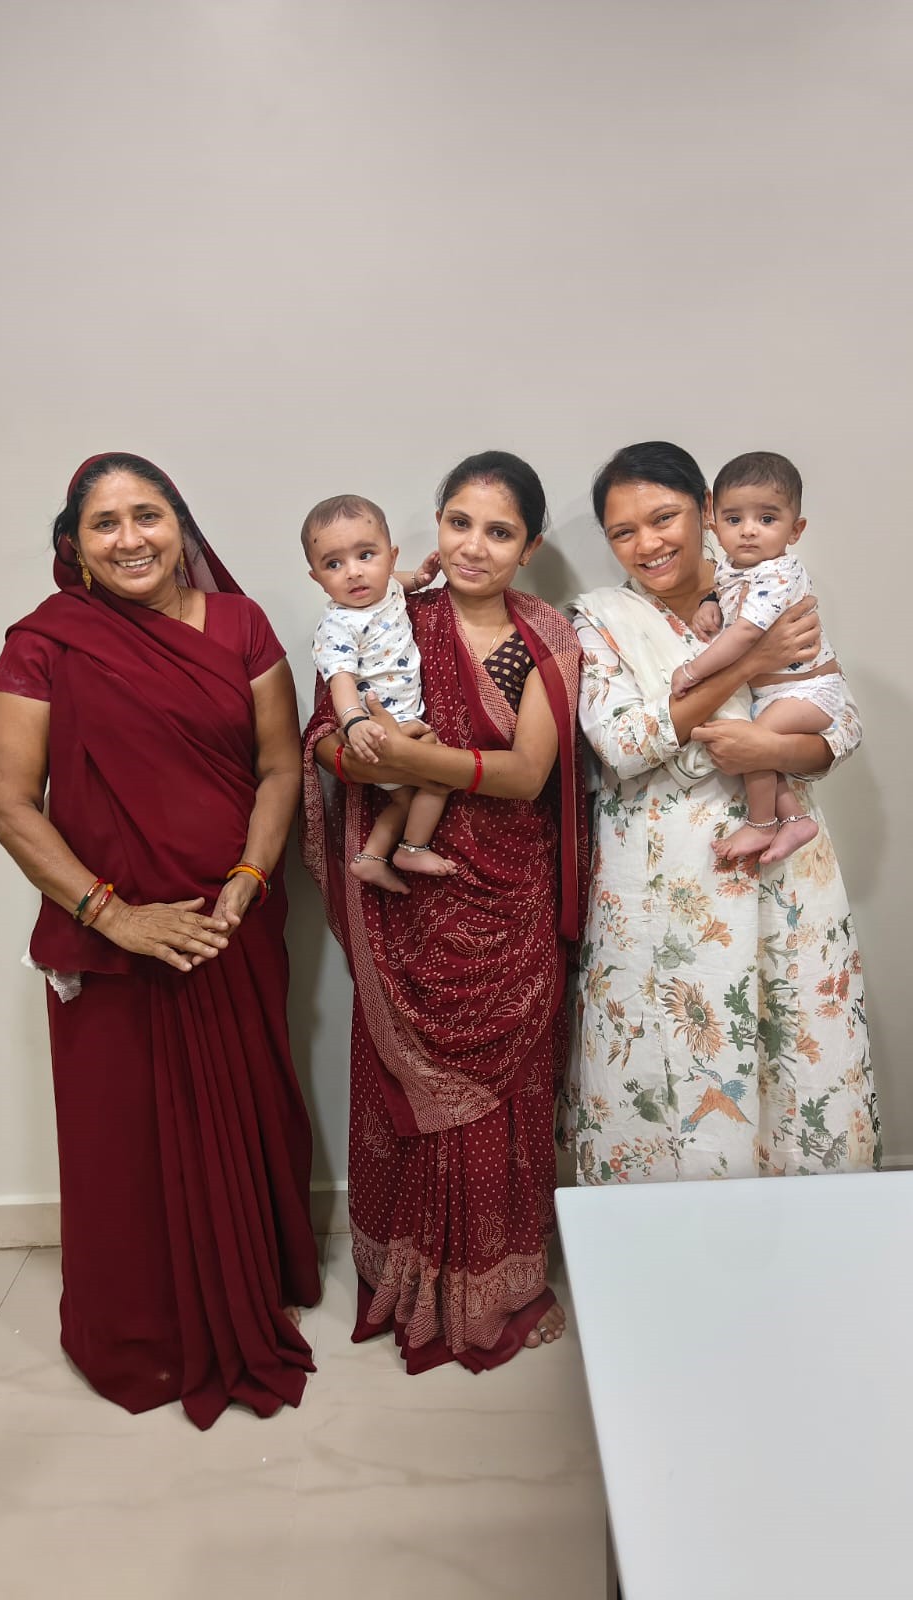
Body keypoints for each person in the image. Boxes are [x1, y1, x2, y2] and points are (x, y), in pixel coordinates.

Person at [0, 452, 321, 1429]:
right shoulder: (44, 645)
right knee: (121, 1139)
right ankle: (139, 1326)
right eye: (105, 523)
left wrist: (249, 880)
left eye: (148, 515)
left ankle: (248, 1284)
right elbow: (8, 806)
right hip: (115, 946)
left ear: (181, 527)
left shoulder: (242, 626)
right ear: (74, 546)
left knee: (247, 1108)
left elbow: (279, 768)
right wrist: (116, 916)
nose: (130, 538)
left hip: (233, 928)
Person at [301, 451, 588, 1370]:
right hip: (407, 906)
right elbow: (325, 736)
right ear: (434, 527)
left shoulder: (546, 636)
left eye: (499, 532)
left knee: (503, 1101)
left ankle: (497, 1287)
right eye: (459, 523)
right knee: (412, 1099)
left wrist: (410, 762)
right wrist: (353, 754)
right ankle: (411, 1281)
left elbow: (528, 774)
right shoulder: (393, 612)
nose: (473, 546)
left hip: (508, 897)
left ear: (529, 547)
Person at [565, 440, 879, 1184]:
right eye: (623, 531)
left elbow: (840, 722)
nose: (648, 543)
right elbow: (622, 743)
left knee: (792, 1058)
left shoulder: (766, 585)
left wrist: (767, 747)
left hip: (781, 869)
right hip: (661, 881)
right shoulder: (601, 620)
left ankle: (797, 1246)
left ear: (705, 511)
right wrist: (750, 664)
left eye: (663, 518)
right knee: (665, 1068)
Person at [672, 451, 848, 865]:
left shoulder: (778, 573)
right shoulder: (733, 567)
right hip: (776, 694)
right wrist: (710, 603)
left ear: (795, 529)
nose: (748, 531)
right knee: (759, 750)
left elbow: (746, 633)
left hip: (808, 691)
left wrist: (692, 670)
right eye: (734, 519)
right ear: (714, 521)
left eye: (767, 519)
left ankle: (762, 824)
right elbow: (727, 592)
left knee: (753, 744)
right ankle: (795, 819)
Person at [303, 493, 448, 892]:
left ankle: (371, 857)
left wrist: (420, 579)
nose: (354, 573)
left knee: (403, 800)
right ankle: (413, 848)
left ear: (390, 556)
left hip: (403, 717)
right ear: (317, 578)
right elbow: (340, 681)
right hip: (380, 729)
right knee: (440, 776)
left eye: (366, 555)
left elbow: (398, 581)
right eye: (334, 564)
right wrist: (354, 724)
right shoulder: (339, 625)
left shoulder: (388, 590)